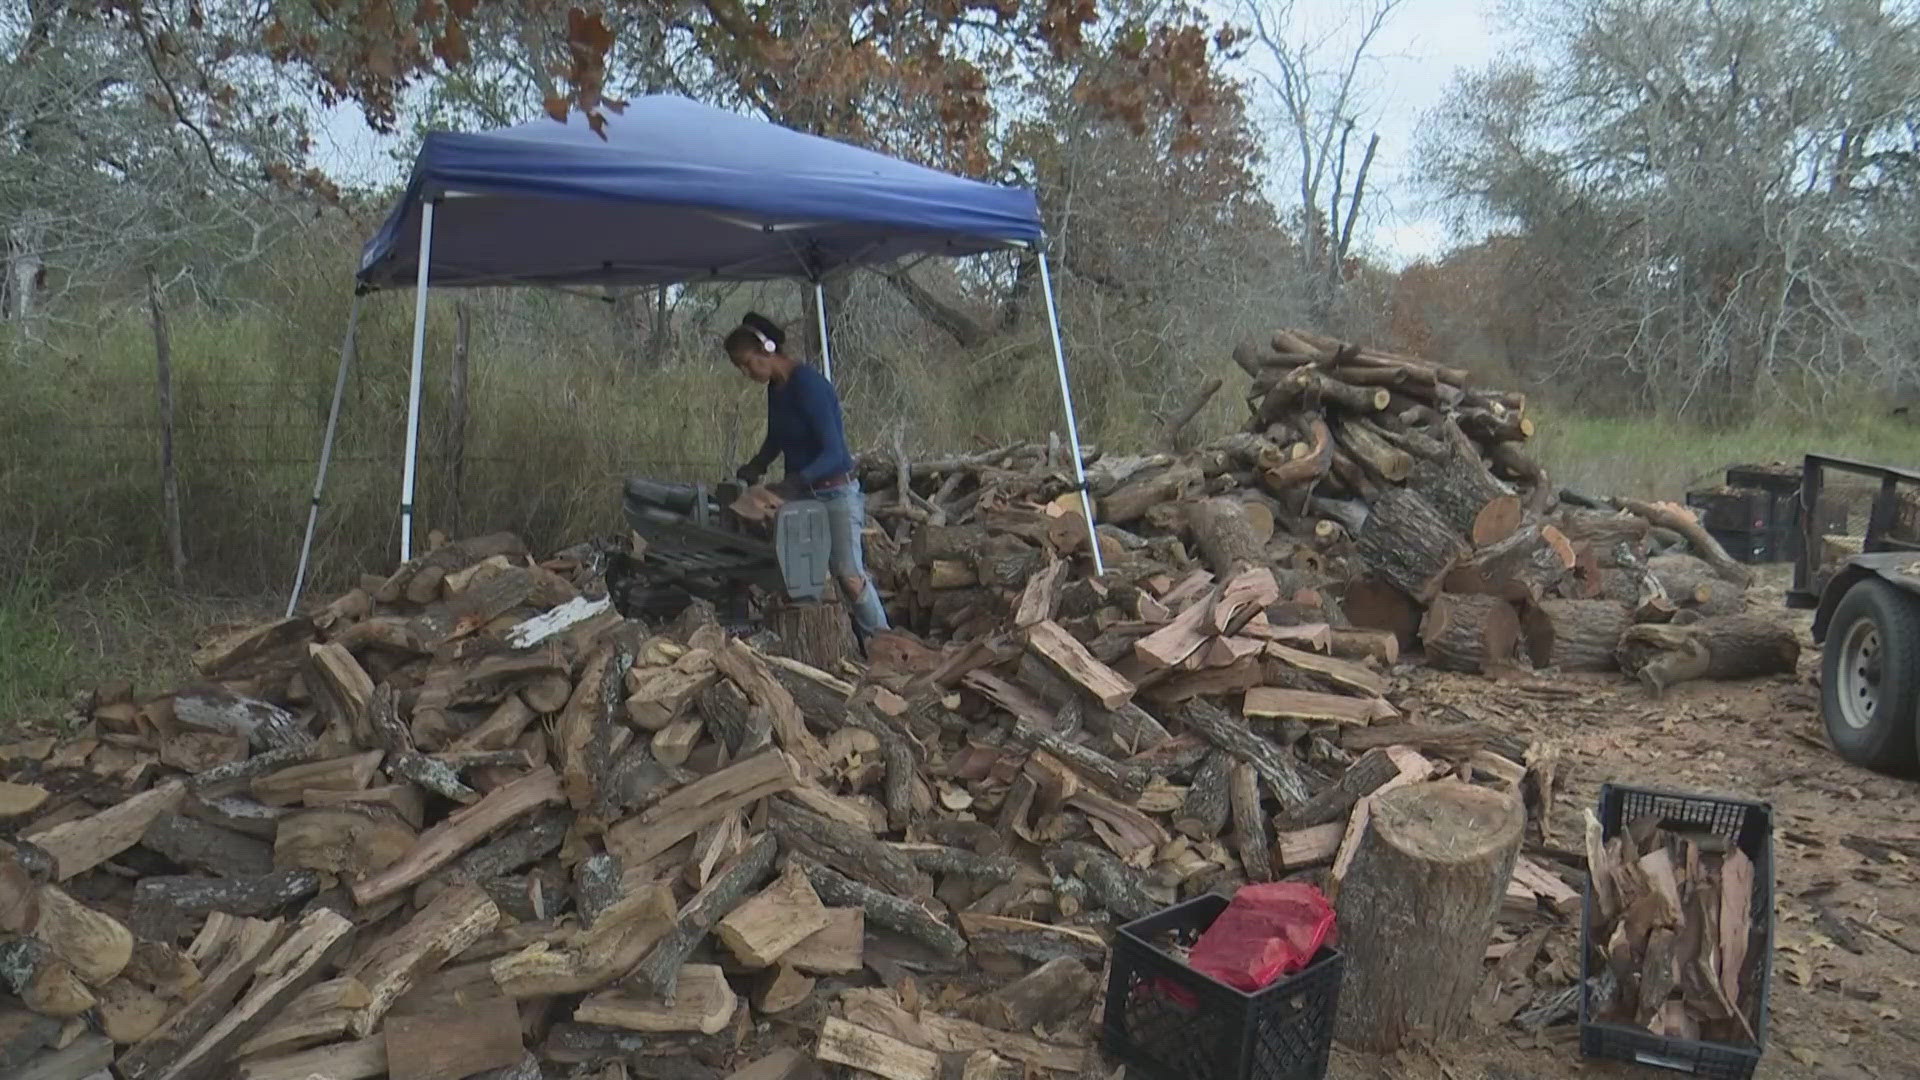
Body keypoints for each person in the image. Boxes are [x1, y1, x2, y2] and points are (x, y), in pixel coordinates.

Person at [725, 312, 889, 642]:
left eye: (747, 363)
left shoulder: (809, 385)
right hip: (802, 495)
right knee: (798, 574)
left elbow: (835, 453)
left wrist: (794, 482)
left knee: (849, 576)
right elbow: (776, 438)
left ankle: (887, 644)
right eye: (740, 368)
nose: (746, 373)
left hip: (834, 493)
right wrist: (756, 465)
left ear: (767, 351)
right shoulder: (776, 389)